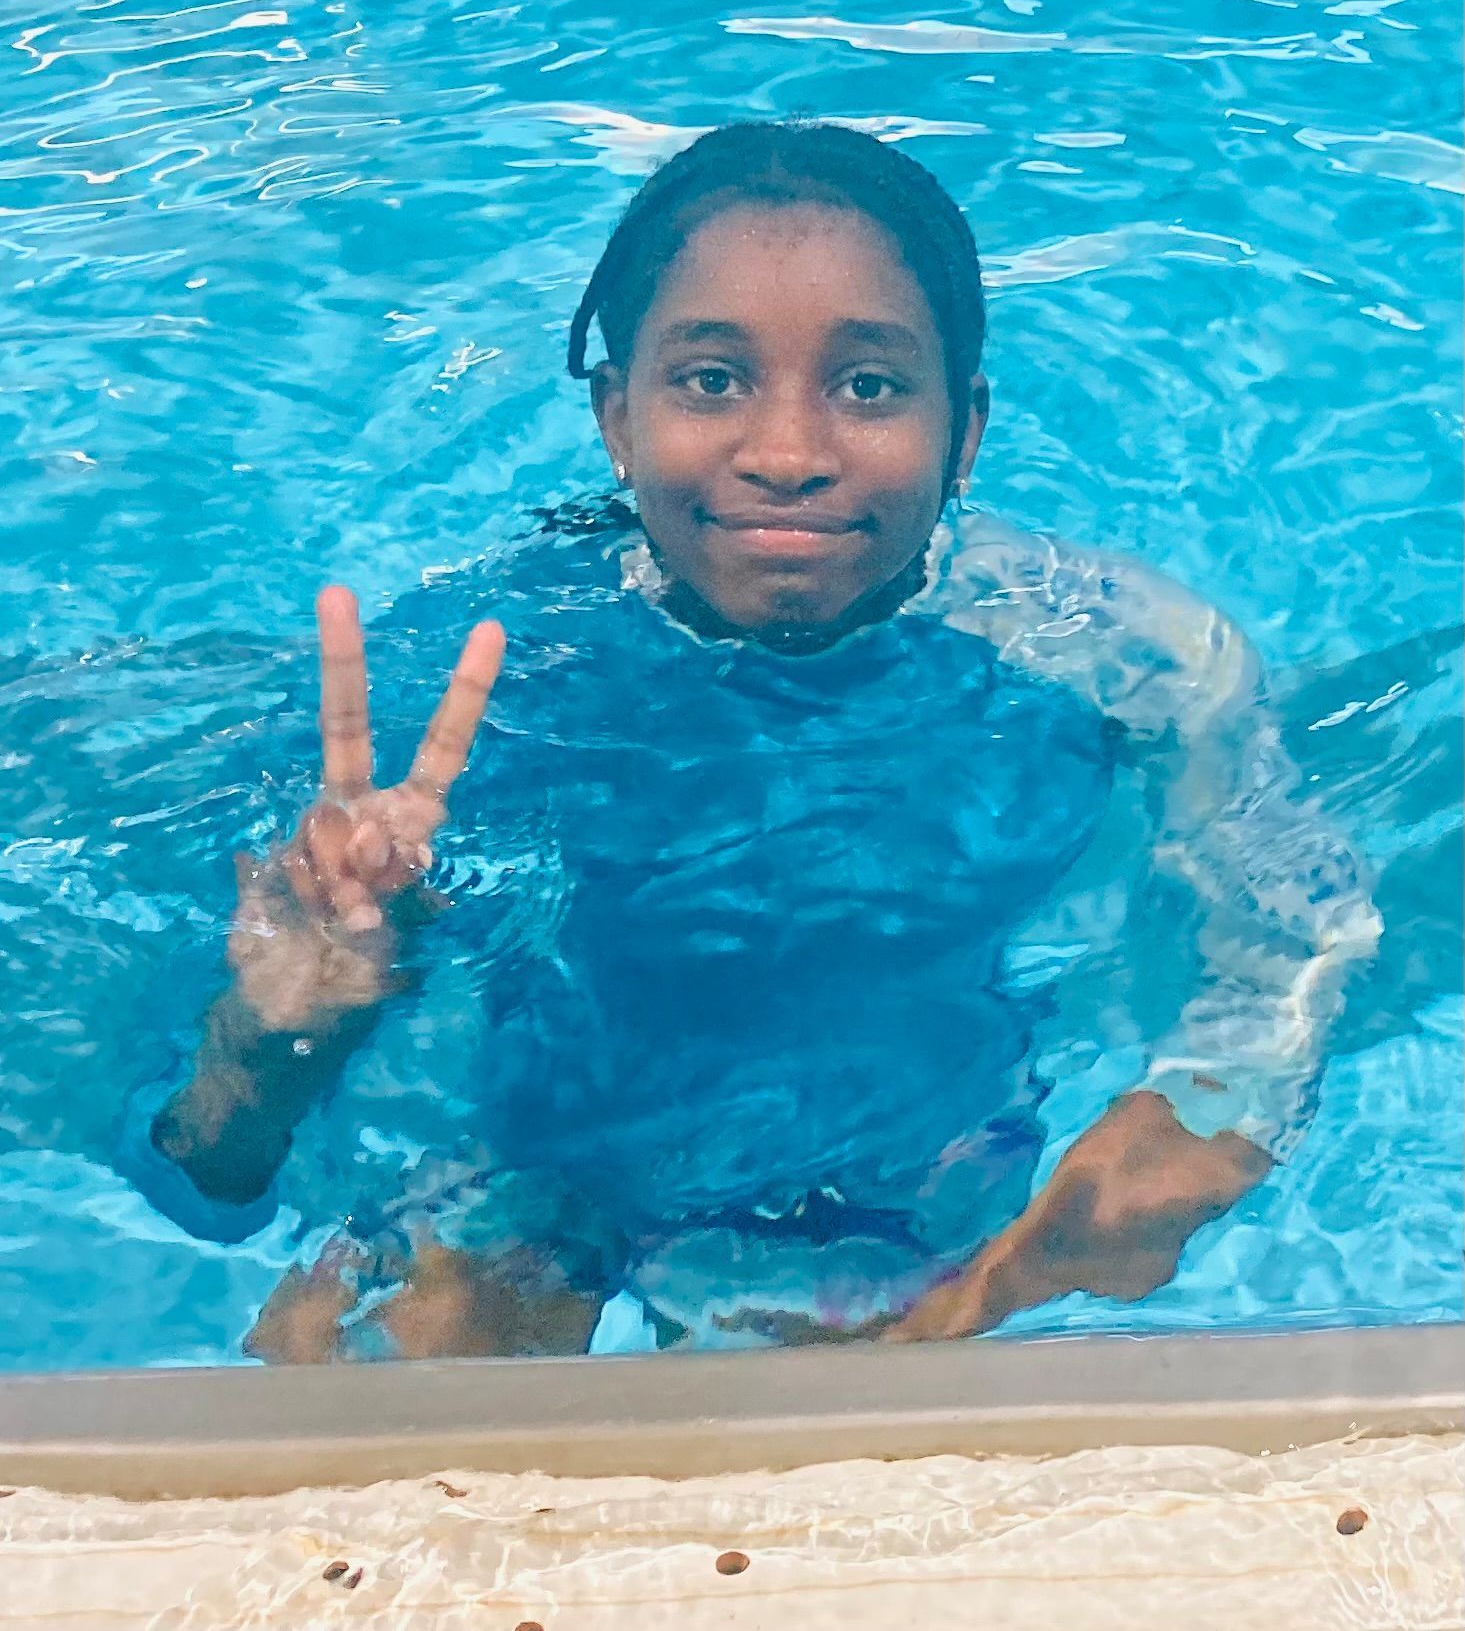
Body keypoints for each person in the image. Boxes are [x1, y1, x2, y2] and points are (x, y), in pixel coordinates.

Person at [140, 121, 1380, 1361]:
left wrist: (1172, 1133)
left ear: (968, 430)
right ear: (618, 418)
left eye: (871, 386)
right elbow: (216, 1175)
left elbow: (1284, 944)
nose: (787, 455)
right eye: (712, 380)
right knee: (320, 1393)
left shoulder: (1126, 659)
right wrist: (285, 1023)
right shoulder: (478, 677)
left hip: (914, 1182)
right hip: (540, 1169)